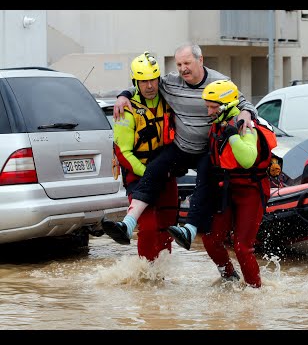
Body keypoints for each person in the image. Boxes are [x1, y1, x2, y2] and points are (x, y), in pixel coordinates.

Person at [105, 42, 258, 247]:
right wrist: (123, 96)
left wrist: (247, 112)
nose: (183, 68)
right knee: (154, 169)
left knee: (204, 180)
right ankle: (128, 223)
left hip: (206, 149)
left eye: (187, 62)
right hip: (180, 147)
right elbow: (144, 85)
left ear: (200, 60)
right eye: (178, 64)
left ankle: (190, 229)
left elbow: (243, 102)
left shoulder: (220, 81)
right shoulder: (170, 83)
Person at [181, 79, 276, 288]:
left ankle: (254, 292)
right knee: (210, 238)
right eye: (208, 107)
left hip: (251, 191)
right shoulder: (218, 125)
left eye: (212, 107)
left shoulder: (246, 126)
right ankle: (229, 276)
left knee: (242, 247)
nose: (208, 112)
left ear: (226, 106)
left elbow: (247, 159)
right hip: (226, 190)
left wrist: (233, 136)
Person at [101, 51, 178, 262]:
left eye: (153, 79)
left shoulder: (168, 98)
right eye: (144, 81)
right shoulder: (126, 109)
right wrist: (149, 174)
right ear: (136, 81)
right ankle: (145, 276)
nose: (150, 85)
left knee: (168, 226)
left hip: (166, 172)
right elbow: (123, 153)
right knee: (149, 227)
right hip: (139, 174)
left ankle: (162, 277)